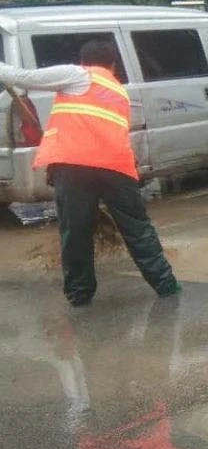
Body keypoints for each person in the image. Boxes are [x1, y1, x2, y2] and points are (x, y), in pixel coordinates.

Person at [0, 40, 179, 306]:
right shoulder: (119, 91)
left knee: (76, 231)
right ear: (113, 65)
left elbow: (20, 77)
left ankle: (80, 296)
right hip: (117, 168)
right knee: (138, 230)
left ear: (83, 62)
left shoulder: (77, 74)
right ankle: (166, 286)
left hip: (75, 168)